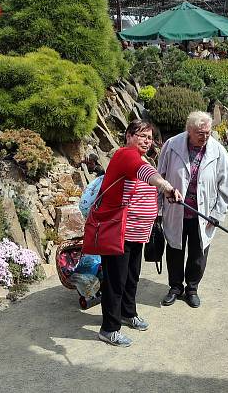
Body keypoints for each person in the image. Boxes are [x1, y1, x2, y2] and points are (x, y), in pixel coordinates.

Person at [95, 120, 182, 347]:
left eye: (150, 137)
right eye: (142, 135)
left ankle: (127, 313)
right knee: (116, 280)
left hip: (138, 233)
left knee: (131, 277)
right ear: (128, 136)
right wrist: (166, 186)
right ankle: (109, 329)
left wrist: (167, 195)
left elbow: (147, 182)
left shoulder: (145, 159)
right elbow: (144, 173)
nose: (147, 141)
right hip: (119, 232)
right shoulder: (125, 155)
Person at [157, 111, 228, 308]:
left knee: (198, 253)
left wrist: (217, 214)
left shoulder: (218, 151)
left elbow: (225, 186)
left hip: (204, 213)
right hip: (176, 210)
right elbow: (159, 177)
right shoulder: (172, 145)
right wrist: (157, 210)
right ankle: (175, 287)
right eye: (200, 132)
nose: (205, 136)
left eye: (208, 132)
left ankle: (192, 289)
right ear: (189, 130)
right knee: (174, 249)